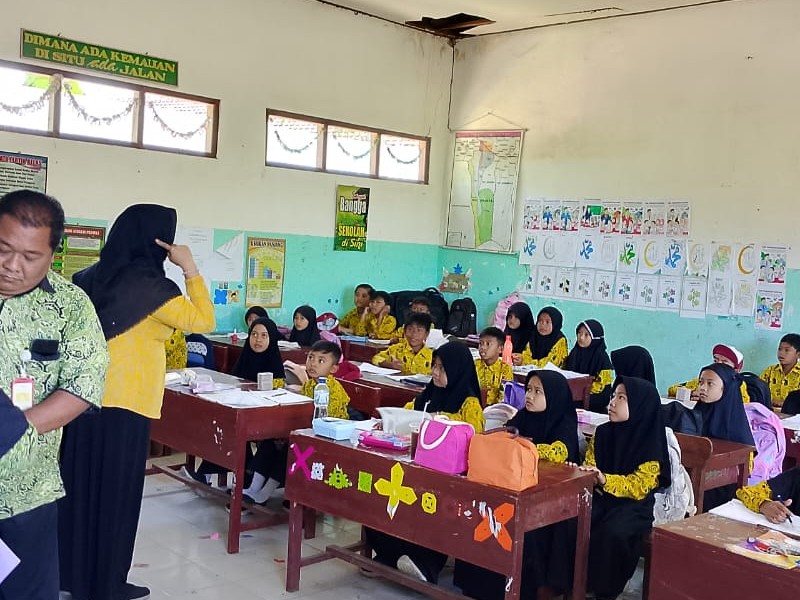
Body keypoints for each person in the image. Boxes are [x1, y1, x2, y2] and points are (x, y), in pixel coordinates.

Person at [59, 204, 215, 600]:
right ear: (158, 241)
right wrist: (190, 267)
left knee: (79, 490)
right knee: (116, 498)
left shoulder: (86, 278)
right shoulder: (155, 290)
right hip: (127, 406)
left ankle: (72, 577)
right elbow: (204, 321)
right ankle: (107, 584)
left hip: (78, 401)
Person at [0, 190, 108, 600]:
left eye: (30, 256)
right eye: (3, 249)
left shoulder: (71, 306)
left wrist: (15, 428)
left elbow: (84, 384)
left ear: (52, 254)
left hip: (28, 491)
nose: (12, 265)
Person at [455, 370, 579, 600]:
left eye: (538, 392)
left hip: (546, 504)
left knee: (522, 530)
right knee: (480, 511)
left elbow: (559, 452)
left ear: (554, 396)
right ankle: (478, 587)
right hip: (513, 490)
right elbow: (503, 438)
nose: (529, 396)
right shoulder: (522, 417)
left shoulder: (564, 425)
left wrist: (522, 449)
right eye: (528, 389)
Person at [367, 342, 484, 583]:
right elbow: (406, 416)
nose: (435, 373)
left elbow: (474, 440)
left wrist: (439, 422)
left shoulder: (469, 404)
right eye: (434, 366)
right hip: (415, 467)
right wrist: (387, 423)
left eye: (442, 368)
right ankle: (391, 554)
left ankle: (425, 564)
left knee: (431, 509)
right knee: (377, 496)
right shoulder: (428, 396)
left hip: (448, 479)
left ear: (457, 370)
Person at [581, 376, 670, 600]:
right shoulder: (603, 433)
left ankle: (606, 591)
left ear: (640, 405)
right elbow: (590, 466)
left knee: (613, 532)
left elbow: (639, 486)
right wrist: (586, 474)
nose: (612, 402)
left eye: (621, 398)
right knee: (575, 520)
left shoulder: (649, 442)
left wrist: (605, 480)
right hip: (602, 498)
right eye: (613, 396)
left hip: (634, 507)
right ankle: (575, 583)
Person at [244, 340, 350, 505]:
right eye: (311, 357)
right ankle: (253, 488)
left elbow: (324, 422)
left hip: (327, 440)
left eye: (321, 360)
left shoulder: (333, 390)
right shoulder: (310, 384)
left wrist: (290, 436)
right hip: (305, 433)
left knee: (290, 447)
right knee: (271, 441)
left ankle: (265, 493)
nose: (313, 363)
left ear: (334, 369)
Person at [187, 317, 287, 486]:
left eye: (264, 335)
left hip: (263, 416)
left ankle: (214, 475)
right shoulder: (245, 357)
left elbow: (277, 393)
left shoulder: (274, 363)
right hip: (240, 413)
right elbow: (233, 383)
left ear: (271, 338)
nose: (258, 340)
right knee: (225, 425)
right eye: (254, 334)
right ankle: (232, 477)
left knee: (233, 429)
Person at [694, 362, 755, 510]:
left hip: (722, 490)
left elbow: (746, 467)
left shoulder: (735, 423)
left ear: (726, 388)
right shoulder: (696, 413)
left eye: (710, 384)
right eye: (701, 382)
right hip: (696, 476)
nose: (702, 388)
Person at [667, 343, 749, 402]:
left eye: (724, 362)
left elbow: (742, 403)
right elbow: (672, 389)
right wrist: (691, 393)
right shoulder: (702, 381)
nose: (718, 364)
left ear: (736, 370)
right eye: (716, 360)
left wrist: (708, 398)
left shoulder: (737, 384)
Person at [565, 319, 613, 413]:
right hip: (575, 394)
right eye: (579, 333)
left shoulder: (602, 358)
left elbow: (602, 389)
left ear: (595, 338)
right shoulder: (575, 353)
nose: (581, 337)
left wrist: (582, 392)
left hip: (594, 398)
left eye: (586, 335)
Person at [474, 326, 513, 406]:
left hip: (496, 409)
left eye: (488, 344)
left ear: (500, 349)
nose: (483, 347)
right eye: (481, 343)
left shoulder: (505, 369)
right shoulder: (474, 365)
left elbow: (504, 396)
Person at [759, 333, 800, 407]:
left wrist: (785, 404)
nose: (781, 353)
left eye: (787, 350)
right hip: (768, 411)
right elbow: (758, 391)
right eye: (780, 349)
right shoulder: (770, 371)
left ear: (798, 354)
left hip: (792, 412)